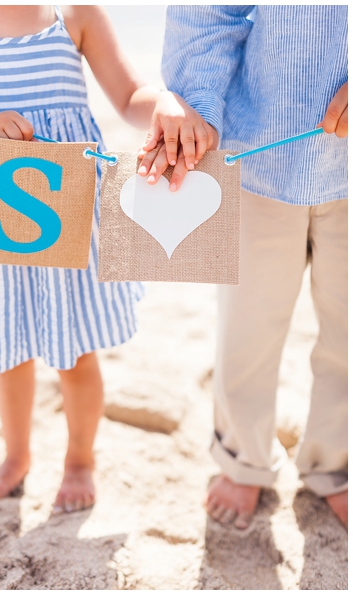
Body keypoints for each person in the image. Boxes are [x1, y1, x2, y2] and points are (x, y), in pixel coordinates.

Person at [0, 5, 212, 513]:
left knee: (76, 350)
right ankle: (18, 454)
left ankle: (79, 460)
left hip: (70, 200)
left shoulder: (72, 12)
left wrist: (166, 105)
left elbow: (128, 95)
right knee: (10, 348)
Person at [148, 5, 348, 528]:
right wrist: (198, 106)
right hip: (257, 152)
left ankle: (339, 463)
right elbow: (209, 13)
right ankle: (244, 459)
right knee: (248, 329)